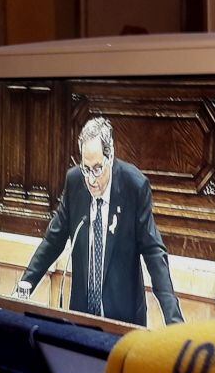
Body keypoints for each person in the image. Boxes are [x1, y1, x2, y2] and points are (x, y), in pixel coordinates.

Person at [19, 117, 183, 326]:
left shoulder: (134, 186)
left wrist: (173, 319)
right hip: (82, 318)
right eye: (86, 169)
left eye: (97, 169)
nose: (91, 179)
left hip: (123, 321)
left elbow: (154, 252)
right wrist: (23, 289)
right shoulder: (75, 182)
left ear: (110, 156)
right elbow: (53, 241)